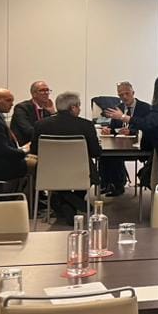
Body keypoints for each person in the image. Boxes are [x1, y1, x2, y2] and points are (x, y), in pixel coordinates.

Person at [31, 92, 102, 222]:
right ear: (73, 107)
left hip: (49, 174)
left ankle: (64, 199)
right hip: (80, 173)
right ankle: (73, 200)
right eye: (79, 106)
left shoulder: (40, 125)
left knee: (59, 183)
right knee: (88, 174)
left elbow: (35, 151)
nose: (79, 109)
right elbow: (95, 152)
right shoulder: (86, 125)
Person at [95, 81, 152, 197]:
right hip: (120, 144)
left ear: (133, 93)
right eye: (121, 95)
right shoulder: (118, 108)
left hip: (138, 146)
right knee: (105, 155)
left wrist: (132, 131)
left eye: (127, 93)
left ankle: (117, 184)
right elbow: (113, 127)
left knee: (114, 156)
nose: (124, 97)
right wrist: (109, 130)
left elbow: (147, 127)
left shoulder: (145, 108)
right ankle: (108, 184)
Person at [9, 80, 54, 146]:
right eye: (42, 90)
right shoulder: (22, 108)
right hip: (24, 145)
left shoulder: (47, 111)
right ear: (34, 94)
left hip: (42, 144)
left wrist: (53, 113)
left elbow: (52, 129)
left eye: (47, 90)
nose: (46, 93)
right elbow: (27, 130)